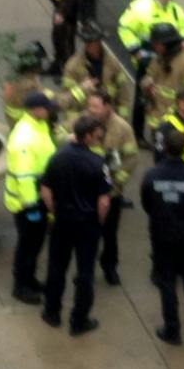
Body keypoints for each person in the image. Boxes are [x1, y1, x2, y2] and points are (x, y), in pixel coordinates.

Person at [39, 114, 113, 336]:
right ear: (88, 137)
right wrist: (99, 220)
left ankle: (52, 312)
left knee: (56, 267)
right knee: (85, 273)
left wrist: (54, 211)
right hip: (87, 226)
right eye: (96, 136)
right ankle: (79, 320)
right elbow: (104, 201)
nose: (98, 139)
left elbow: (46, 190)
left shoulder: (57, 157)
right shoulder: (98, 164)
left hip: (62, 222)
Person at [141, 127, 184, 345]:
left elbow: (147, 204)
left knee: (167, 282)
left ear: (165, 147)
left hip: (162, 235)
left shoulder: (152, 176)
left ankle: (172, 329)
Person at [69, 90, 137, 286]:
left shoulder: (122, 128)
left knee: (109, 234)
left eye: (96, 107)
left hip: (110, 192)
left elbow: (131, 158)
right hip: (86, 191)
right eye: (90, 105)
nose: (91, 110)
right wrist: (69, 138)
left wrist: (116, 184)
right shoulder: (82, 121)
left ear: (108, 106)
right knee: (85, 236)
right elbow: (60, 133)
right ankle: (84, 270)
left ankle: (110, 267)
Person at [117, 0, 184, 141]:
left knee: (166, 96)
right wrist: (136, 50)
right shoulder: (141, 7)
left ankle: (163, 132)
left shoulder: (175, 9)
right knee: (144, 97)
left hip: (171, 59)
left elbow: (183, 27)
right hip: (148, 58)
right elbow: (124, 27)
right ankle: (138, 135)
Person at [4, 90, 57, 304]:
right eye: (47, 108)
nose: (50, 111)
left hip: (38, 197)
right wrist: (32, 206)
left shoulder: (38, 126)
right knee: (27, 246)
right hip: (27, 203)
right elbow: (24, 176)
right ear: (37, 110)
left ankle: (30, 279)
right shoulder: (25, 138)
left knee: (34, 245)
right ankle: (20, 286)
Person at [62, 20, 133, 122]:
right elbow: (68, 99)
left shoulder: (112, 63)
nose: (90, 45)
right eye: (88, 42)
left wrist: (122, 119)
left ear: (99, 41)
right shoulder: (73, 66)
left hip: (108, 117)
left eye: (93, 41)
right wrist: (75, 124)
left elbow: (123, 93)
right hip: (86, 119)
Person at [140, 23, 184, 132]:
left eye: (157, 44)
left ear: (167, 44)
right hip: (158, 123)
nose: (154, 47)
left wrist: (177, 114)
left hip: (178, 126)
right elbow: (147, 78)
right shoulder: (158, 59)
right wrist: (147, 87)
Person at [3, 40, 55, 126]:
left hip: (18, 121)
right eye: (40, 63)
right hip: (24, 124)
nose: (42, 66)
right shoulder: (27, 86)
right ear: (34, 65)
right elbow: (41, 100)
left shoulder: (22, 75)